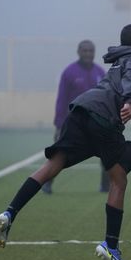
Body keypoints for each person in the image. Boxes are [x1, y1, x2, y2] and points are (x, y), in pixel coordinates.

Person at [0, 24, 131, 260]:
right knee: (119, 179)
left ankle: (9, 213)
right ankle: (110, 245)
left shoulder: (117, 63)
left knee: (53, 165)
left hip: (80, 111)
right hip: (103, 118)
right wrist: (130, 103)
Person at [43, 40, 108, 194]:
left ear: (94, 53)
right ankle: (47, 184)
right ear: (78, 52)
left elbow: (106, 99)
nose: (88, 54)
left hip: (96, 123)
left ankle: (105, 186)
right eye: (85, 51)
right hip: (73, 124)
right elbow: (61, 99)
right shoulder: (69, 73)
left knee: (107, 153)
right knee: (59, 155)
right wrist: (59, 125)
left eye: (90, 51)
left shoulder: (100, 73)